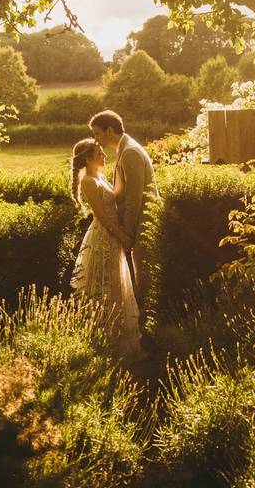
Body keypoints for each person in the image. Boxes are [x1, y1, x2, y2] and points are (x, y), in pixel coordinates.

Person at [68, 137, 140, 356]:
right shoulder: (88, 181)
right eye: (100, 153)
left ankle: (119, 340)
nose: (104, 155)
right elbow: (102, 217)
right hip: (103, 237)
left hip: (112, 237)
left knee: (115, 287)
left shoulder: (100, 177)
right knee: (104, 288)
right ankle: (105, 340)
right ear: (89, 158)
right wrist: (123, 236)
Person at [88, 110, 158, 307]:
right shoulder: (124, 149)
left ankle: (146, 324)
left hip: (142, 223)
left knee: (143, 276)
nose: (96, 139)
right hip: (136, 223)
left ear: (110, 130)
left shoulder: (130, 153)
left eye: (97, 134)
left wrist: (126, 232)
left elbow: (134, 199)